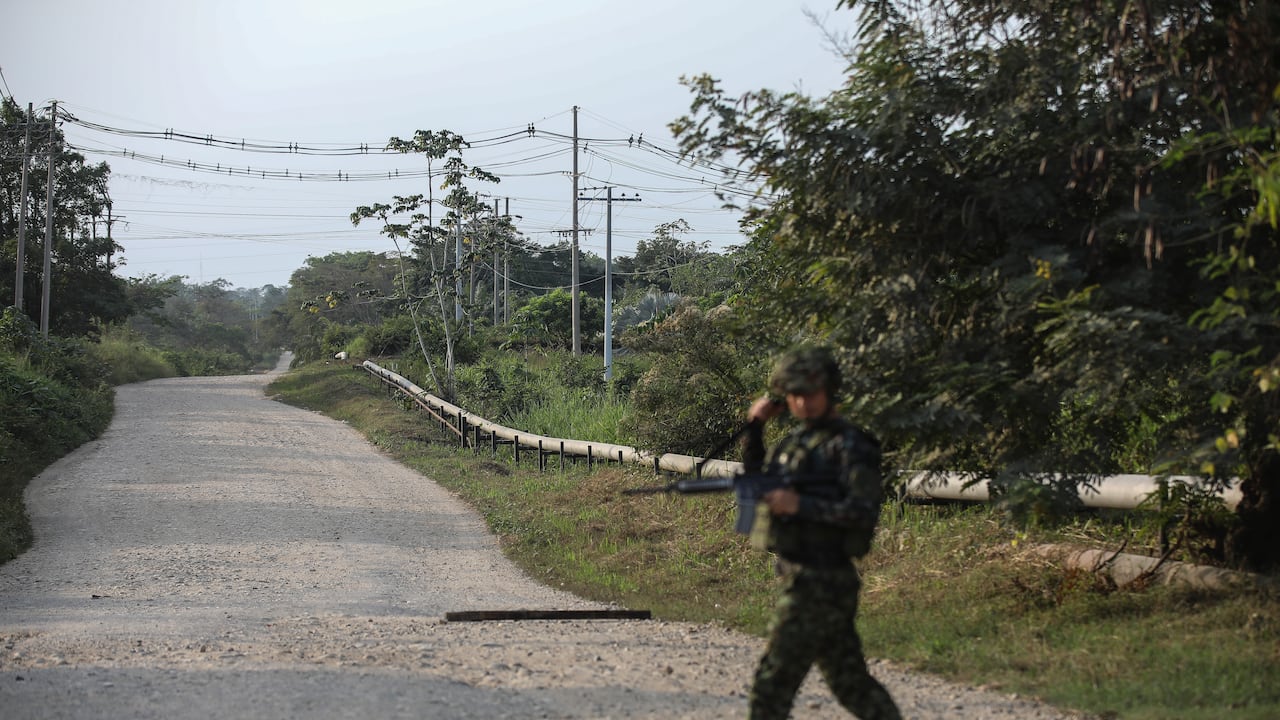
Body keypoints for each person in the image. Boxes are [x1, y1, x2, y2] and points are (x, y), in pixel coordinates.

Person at [741, 346, 901, 720]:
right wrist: (755, 428)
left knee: (772, 684)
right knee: (851, 683)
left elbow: (861, 512)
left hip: (821, 578)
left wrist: (800, 506)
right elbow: (758, 484)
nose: (803, 402)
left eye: (810, 393)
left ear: (829, 391)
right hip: (805, 574)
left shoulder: (850, 446)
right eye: (794, 394)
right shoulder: (796, 444)